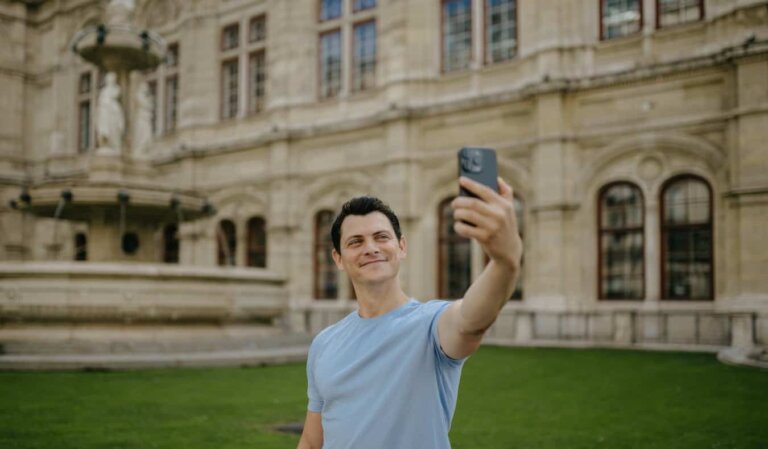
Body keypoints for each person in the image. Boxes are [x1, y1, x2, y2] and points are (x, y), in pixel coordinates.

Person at [296, 176, 523, 449]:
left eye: (381, 237)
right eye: (356, 242)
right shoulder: (324, 343)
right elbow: (311, 441)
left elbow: (471, 321)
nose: (371, 248)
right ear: (338, 259)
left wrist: (505, 261)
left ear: (401, 246)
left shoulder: (431, 325)